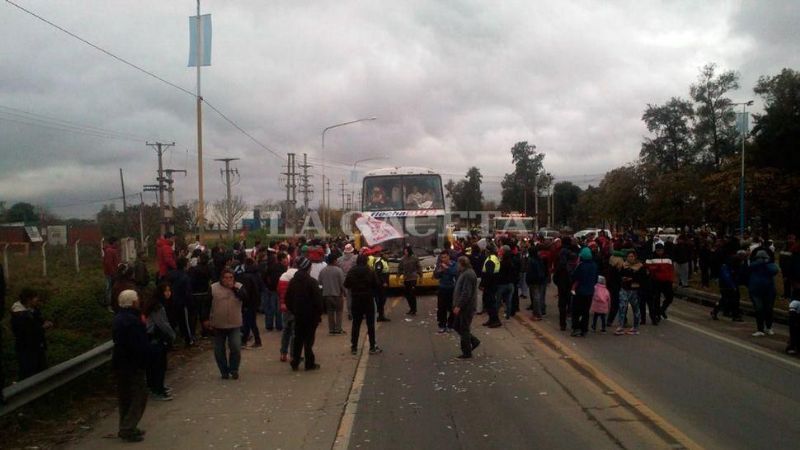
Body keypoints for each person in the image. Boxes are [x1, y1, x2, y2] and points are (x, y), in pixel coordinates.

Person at [112, 289, 149, 442]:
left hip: (120, 362)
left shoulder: (118, 318)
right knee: (139, 396)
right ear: (134, 302)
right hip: (133, 363)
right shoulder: (133, 321)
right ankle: (128, 427)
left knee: (125, 397)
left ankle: (126, 425)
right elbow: (138, 344)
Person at [285, 257, 325, 370]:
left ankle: (295, 361)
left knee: (298, 339)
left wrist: (293, 310)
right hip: (311, 316)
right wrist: (319, 314)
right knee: (308, 340)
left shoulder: (293, 282)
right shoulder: (312, 282)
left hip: (298, 315)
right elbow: (318, 300)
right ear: (308, 268)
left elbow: (288, 298)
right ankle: (309, 363)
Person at [209, 269, 247, 379]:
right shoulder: (213, 288)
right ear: (221, 278)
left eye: (231, 277)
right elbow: (206, 304)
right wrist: (205, 319)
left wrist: (234, 288)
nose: (228, 280)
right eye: (226, 278)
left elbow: (245, 297)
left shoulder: (239, 286)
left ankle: (234, 369)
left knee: (235, 347)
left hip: (234, 323)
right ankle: (224, 371)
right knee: (219, 350)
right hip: (218, 324)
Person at [143, 283, 176, 400]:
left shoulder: (152, 304)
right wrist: (172, 335)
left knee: (153, 366)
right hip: (156, 338)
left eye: (169, 290)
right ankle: (158, 389)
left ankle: (155, 386)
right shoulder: (158, 306)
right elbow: (162, 323)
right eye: (166, 291)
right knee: (159, 366)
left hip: (150, 338)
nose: (168, 293)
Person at [344, 254, 382, 355]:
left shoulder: (352, 271)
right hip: (368, 299)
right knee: (370, 324)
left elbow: (346, 284)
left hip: (356, 299)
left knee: (356, 324)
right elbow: (377, 284)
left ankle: (354, 347)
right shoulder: (370, 271)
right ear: (366, 261)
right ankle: (372, 347)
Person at [11, 288, 50, 379]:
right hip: (27, 349)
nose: (38, 300)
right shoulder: (19, 314)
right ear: (29, 299)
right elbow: (26, 332)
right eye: (35, 298)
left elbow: (38, 321)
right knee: (28, 373)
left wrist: (44, 323)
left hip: (37, 347)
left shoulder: (33, 310)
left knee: (41, 372)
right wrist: (42, 327)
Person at [453, 256, 480, 359]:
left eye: (458, 264)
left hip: (466, 307)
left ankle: (467, 351)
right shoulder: (464, 273)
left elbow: (466, 293)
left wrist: (459, 305)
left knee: (464, 328)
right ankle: (473, 340)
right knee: (457, 326)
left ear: (462, 264)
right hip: (463, 305)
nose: (457, 266)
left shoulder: (468, 274)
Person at [748, 250, 779, 337]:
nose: (761, 260)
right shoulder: (754, 265)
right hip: (756, 291)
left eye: (762, 258)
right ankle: (760, 329)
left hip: (769, 291)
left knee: (768, 309)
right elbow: (750, 267)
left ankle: (768, 327)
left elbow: (774, 270)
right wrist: (760, 263)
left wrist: (765, 264)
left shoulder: (770, 265)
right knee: (759, 309)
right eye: (759, 258)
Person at [616, 250, 646, 336]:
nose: (631, 258)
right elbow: (619, 275)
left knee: (636, 309)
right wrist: (623, 278)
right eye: (629, 256)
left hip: (635, 290)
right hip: (624, 289)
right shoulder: (623, 265)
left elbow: (643, 278)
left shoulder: (640, 266)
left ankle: (635, 327)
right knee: (622, 307)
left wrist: (632, 279)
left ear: (635, 257)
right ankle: (620, 326)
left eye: (632, 256)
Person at [570, 247, 598, 337]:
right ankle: (584, 329)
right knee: (585, 311)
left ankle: (576, 328)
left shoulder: (581, 266)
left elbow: (575, 277)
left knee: (576, 310)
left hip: (580, 291)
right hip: (589, 291)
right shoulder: (594, 265)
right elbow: (595, 279)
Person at [238, 258, 263, 348]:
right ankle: (245, 340)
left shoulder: (246, 276)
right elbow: (260, 287)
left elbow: (246, 292)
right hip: (255, 301)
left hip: (249, 302)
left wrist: (244, 302)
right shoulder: (257, 274)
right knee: (250, 321)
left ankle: (254, 340)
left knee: (249, 321)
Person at [277, 259, 298, 362]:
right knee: (294, 332)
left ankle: (283, 353)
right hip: (294, 307)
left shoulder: (283, 276)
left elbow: (278, 291)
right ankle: (293, 355)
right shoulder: (297, 277)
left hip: (284, 306)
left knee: (286, 330)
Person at [319, 254, 346, 335]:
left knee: (330, 312)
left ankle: (331, 329)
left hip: (326, 295)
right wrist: (344, 292)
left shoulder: (323, 270)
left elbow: (320, 282)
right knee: (339, 312)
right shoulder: (338, 270)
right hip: (337, 294)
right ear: (334, 261)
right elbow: (342, 283)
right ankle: (338, 329)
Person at [645, 243, 673, 319]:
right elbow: (647, 267)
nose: (660, 252)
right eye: (658, 250)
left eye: (661, 250)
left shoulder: (668, 257)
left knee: (670, 297)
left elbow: (671, 269)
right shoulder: (651, 257)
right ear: (656, 250)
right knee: (656, 298)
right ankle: (657, 314)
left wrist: (671, 279)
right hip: (656, 281)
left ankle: (662, 310)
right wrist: (656, 267)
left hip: (667, 281)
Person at [188, 252, 213, 338]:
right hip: (205, 293)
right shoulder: (209, 269)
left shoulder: (193, 269)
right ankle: (205, 332)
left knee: (194, 315)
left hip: (195, 294)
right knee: (204, 314)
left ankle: (192, 333)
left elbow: (191, 281)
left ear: (200, 259)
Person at [434, 251, 458, 333]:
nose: (443, 259)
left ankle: (450, 325)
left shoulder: (454, 264)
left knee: (452, 308)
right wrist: (440, 271)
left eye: (445, 257)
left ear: (448, 257)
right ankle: (442, 325)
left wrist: (447, 268)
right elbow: (435, 276)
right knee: (441, 308)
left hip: (452, 288)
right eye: (442, 257)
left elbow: (455, 273)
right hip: (442, 288)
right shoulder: (440, 265)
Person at [480, 244, 502, 328]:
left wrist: (483, 285)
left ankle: (495, 320)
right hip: (494, 284)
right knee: (490, 302)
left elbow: (488, 275)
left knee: (490, 303)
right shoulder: (495, 258)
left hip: (489, 286)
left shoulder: (490, 260)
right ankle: (491, 319)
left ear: (488, 251)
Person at [399, 245, 422, 315]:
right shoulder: (402, 259)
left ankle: (414, 309)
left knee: (412, 294)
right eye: (404, 251)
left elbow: (419, 267)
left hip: (413, 278)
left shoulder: (415, 258)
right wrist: (398, 276)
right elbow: (400, 268)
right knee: (407, 295)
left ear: (409, 251)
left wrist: (421, 276)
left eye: (406, 251)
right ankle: (411, 308)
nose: (405, 252)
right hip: (406, 278)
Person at [526, 245, 547, 320]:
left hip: (534, 280)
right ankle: (540, 311)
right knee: (539, 296)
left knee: (536, 297)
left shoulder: (531, 260)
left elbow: (529, 272)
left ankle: (537, 314)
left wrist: (528, 280)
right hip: (541, 279)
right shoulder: (539, 259)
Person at [370, 249, 391, 322]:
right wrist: (383, 282)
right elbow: (378, 274)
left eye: (388, 254)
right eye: (387, 254)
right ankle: (380, 315)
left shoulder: (385, 261)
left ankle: (381, 315)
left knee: (383, 300)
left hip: (384, 284)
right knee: (381, 300)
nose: (388, 255)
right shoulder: (379, 262)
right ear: (383, 254)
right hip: (380, 285)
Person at [103, 237, 121, 307]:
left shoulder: (112, 250)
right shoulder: (110, 251)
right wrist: (113, 273)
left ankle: (113, 303)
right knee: (109, 289)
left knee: (112, 289)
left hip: (112, 273)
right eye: (117, 242)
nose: (118, 243)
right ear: (114, 242)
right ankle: (109, 304)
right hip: (110, 274)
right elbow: (109, 263)